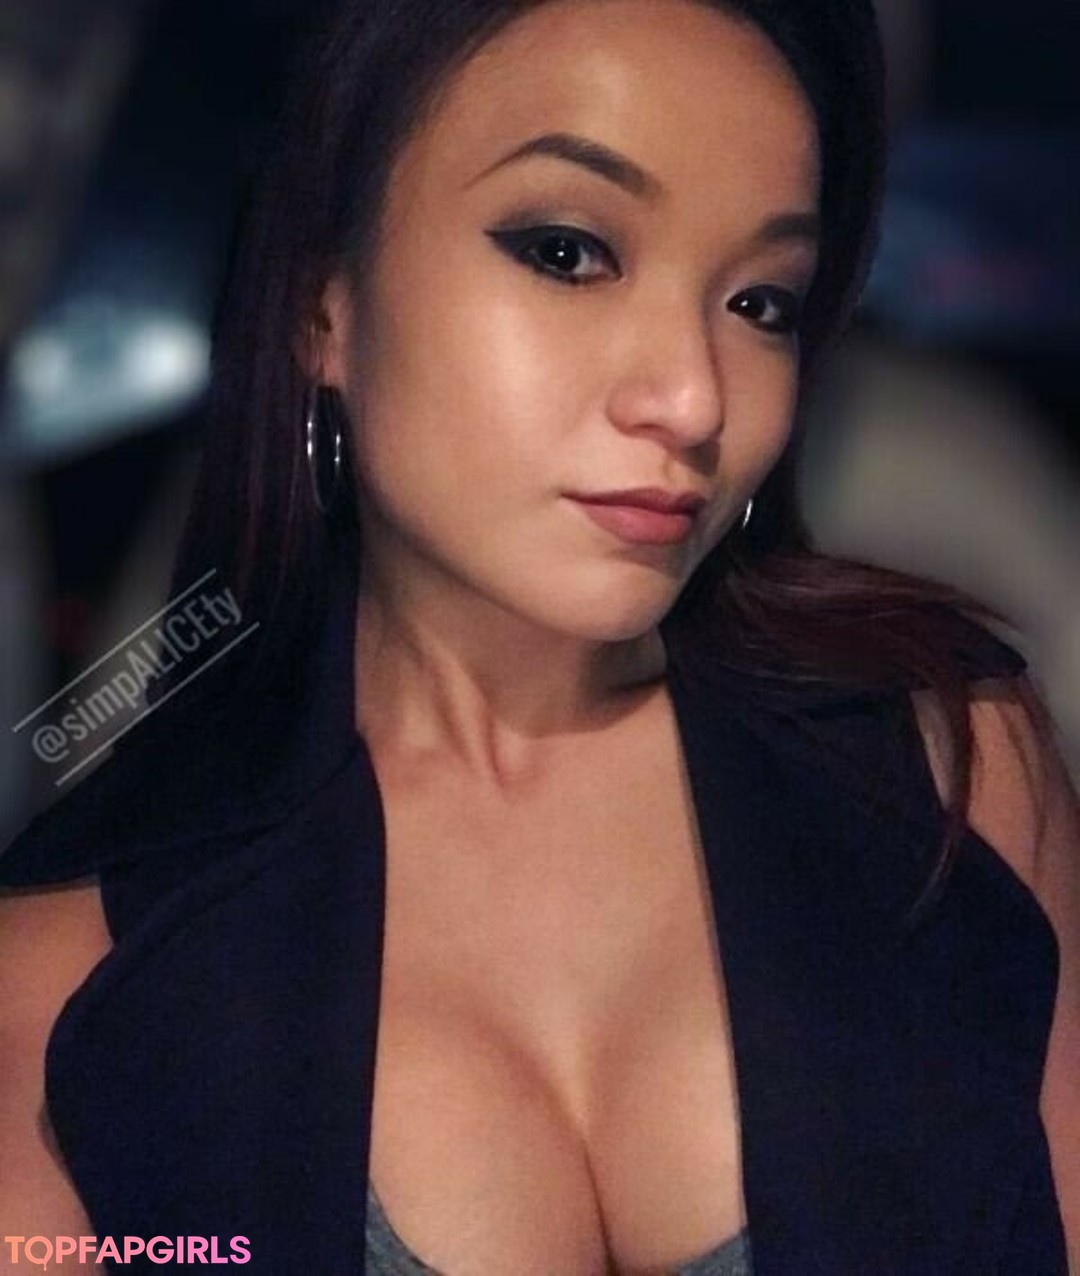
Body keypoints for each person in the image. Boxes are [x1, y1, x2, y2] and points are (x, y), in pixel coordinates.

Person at [1, 0, 1077, 1272]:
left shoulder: (953, 772)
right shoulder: (68, 973)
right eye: (567, 252)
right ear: (321, 299)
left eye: (761, 301)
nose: (692, 395)